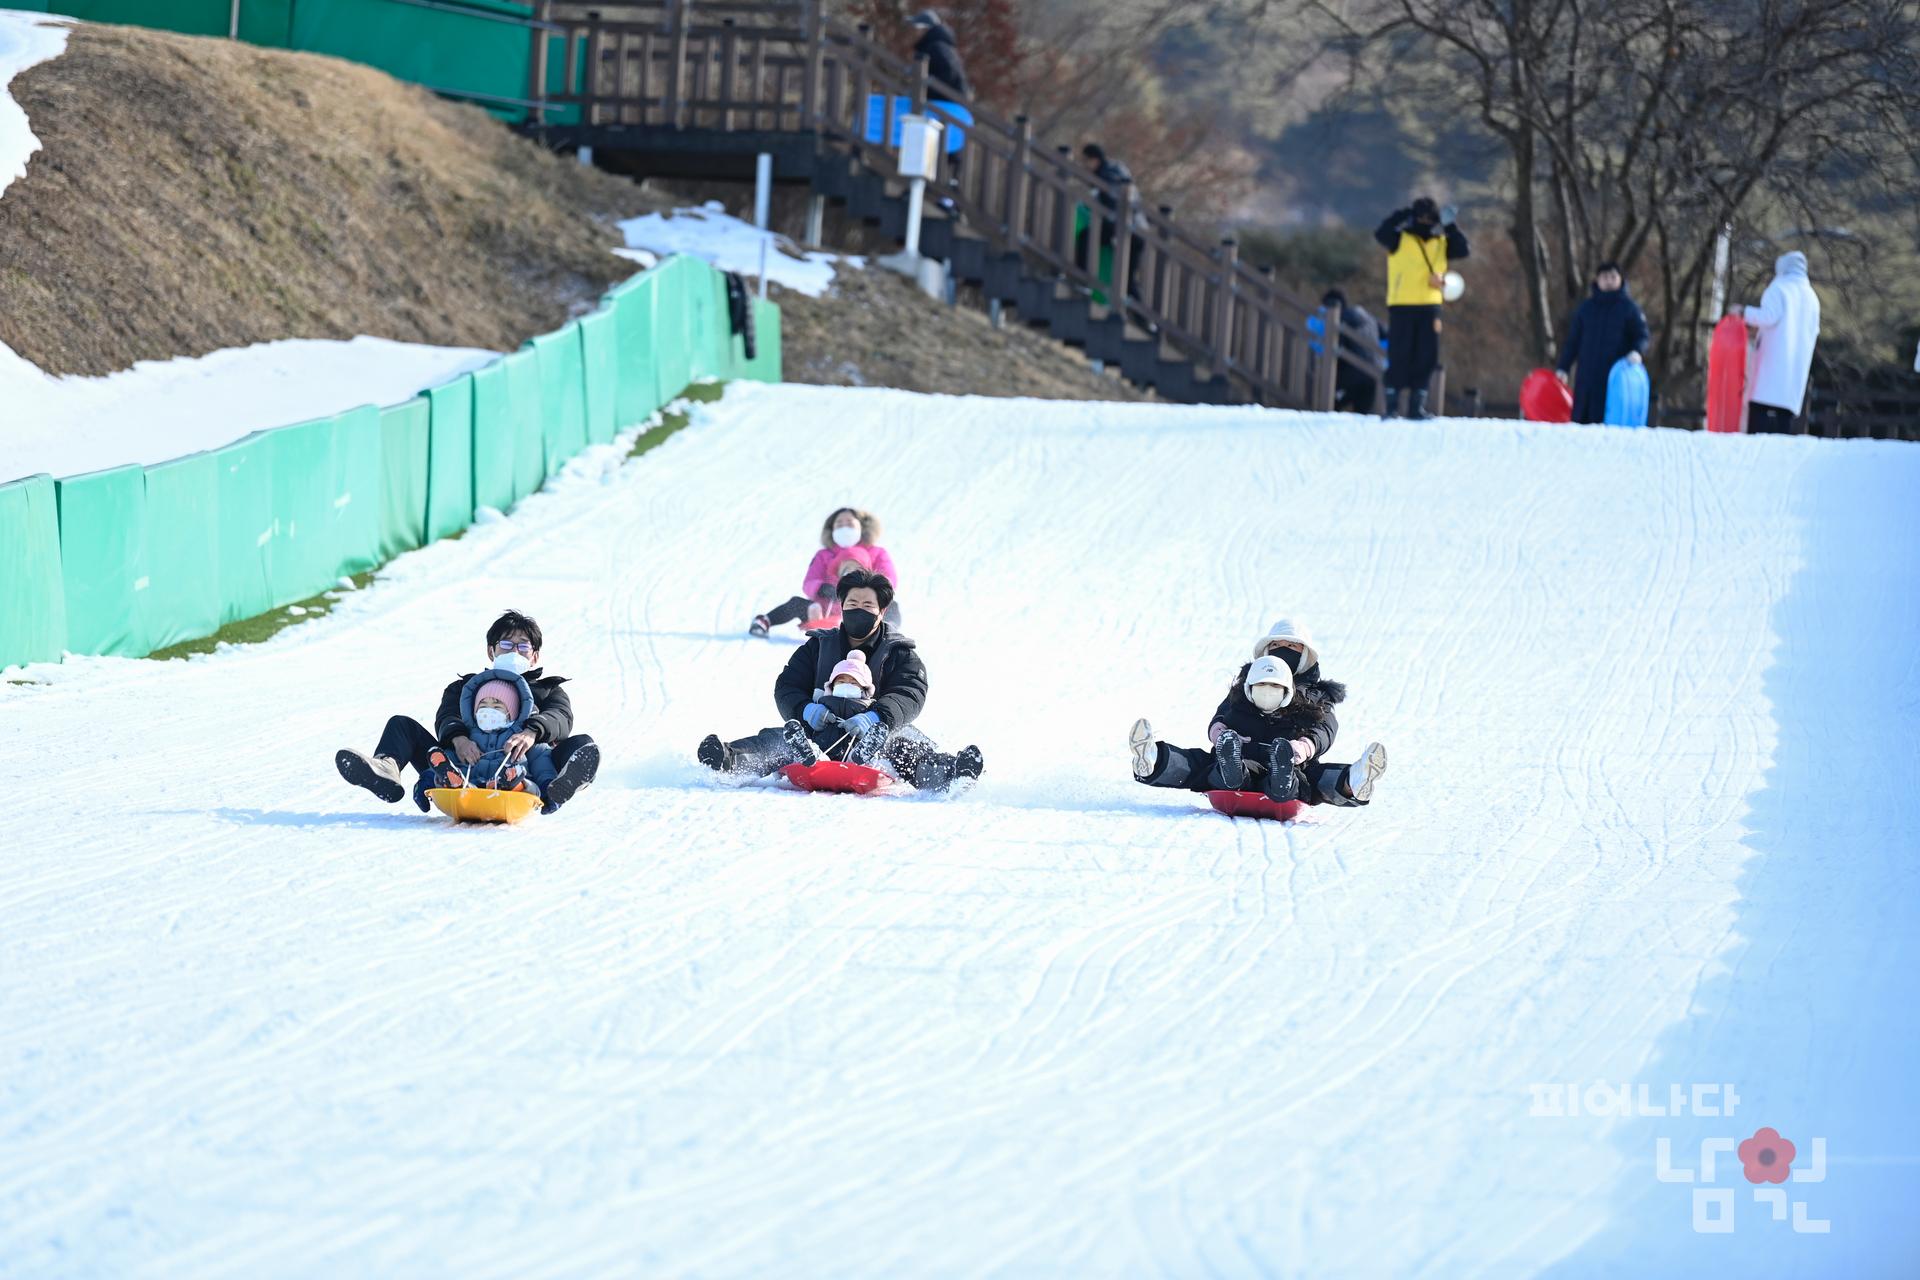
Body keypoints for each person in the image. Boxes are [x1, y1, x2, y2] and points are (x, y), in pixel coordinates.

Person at [702, 571, 983, 792]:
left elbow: (911, 691)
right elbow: (788, 685)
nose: (858, 609)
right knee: (778, 741)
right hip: (818, 729)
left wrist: (878, 717)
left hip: (875, 736)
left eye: (867, 605)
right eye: (852, 603)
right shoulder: (818, 646)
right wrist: (805, 710)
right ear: (842, 606)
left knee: (906, 744)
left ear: (881, 611)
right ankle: (730, 761)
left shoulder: (899, 652)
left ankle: (951, 772)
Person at [335, 610, 600, 815]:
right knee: (401, 725)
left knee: (581, 744)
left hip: (521, 764)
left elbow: (561, 717)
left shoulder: (548, 690)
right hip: (464, 759)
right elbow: (446, 716)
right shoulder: (466, 688)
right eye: (506, 645)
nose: (514, 651)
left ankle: (557, 787)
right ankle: (387, 769)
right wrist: (458, 738)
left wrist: (531, 732)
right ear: (491, 651)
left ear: (535, 657)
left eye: (523, 646)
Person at [1129, 618, 1386, 808]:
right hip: (1242, 752)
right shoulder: (1247, 684)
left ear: (1305, 655)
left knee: (1310, 778)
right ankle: (1154, 759)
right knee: (1205, 764)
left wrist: (1305, 747)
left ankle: (1354, 781)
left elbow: (1326, 728)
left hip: (1289, 757)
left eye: (1292, 646)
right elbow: (1223, 712)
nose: (1283, 649)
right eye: (1277, 644)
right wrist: (1220, 733)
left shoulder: (1316, 695)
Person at [1374, 197, 1469, 420]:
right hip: (1401, 304)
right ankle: (1392, 407)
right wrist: (1403, 214)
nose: (1425, 222)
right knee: (1399, 354)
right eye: (1421, 217)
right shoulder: (1399, 239)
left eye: (1430, 218)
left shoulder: (1442, 243)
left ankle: (1417, 406)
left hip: (1430, 306)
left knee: (1427, 356)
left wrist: (1450, 226)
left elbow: (1464, 250)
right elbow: (1381, 232)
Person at [751, 507, 901, 637]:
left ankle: (887, 632)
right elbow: (810, 581)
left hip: (864, 608)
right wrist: (821, 588)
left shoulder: (876, 553)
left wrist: (869, 588)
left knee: (891, 605)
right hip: (825, 610)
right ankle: (765, 621)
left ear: (861, 527)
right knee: (796, 603)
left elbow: (889, 580)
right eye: (839, 524)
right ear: (832, 530)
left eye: (849, 523)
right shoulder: (824, 555)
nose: (844, 528)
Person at [421, 672, 557, 798]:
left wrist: (548, 787)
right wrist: (428, 779)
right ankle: (456, 784)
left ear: (512, 714)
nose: (488, 712)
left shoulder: (520, 738)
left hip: (517, 795)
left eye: (497, 707)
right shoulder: (468, 738)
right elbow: (448, 757)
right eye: (483, 706)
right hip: (472, 789)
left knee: (527, 786)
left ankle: (508, 782)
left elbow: (541, 762)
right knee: (451, 779)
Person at [1733, 250, 1822, 434]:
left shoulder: (1779, 288)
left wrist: (1743, 312)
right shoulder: (1812, 297)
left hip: (1772, 362)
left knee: (1760, 407)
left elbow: (1769, 316)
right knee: (1784, 417)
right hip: (1795, 367)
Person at [1555, 262, 1651, 425]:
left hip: (1615, 380)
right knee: (1582, 425)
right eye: (1605, 277)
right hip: (1586, 378)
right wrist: (1563, 367)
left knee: (1609, 425)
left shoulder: (1630, 309)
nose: (1609, 281)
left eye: (1613, 277)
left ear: (1620, 280)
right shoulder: (1585, 309)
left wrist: (1637, 351)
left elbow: (1642, 336)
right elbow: (1573, 342)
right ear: (1597, 280)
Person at [1320, 288, 1383, 414]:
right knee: (1362, 417)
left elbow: (1337, 348)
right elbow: (1385, 333)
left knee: (1331, 408)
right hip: (1374, 374)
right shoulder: (1368, 316)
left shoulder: (1341, 319)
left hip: (1352, 375)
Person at [907, 10, 970, 102]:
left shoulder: (937, 46)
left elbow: (949, 72)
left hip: (949, 100)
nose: (913, 32)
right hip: (948, 99)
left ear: (924, 29)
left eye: (916, 28)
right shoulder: (935, 44)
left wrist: (927, 90)